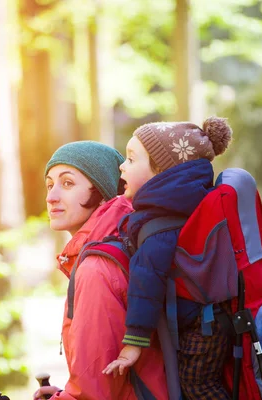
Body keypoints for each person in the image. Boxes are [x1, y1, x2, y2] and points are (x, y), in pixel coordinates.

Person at [102, 118, 233, 399]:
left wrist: (133, 342)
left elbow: (146, 281)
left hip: (203, 326)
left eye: (131, 159)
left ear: (161, 171)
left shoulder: (161, 224)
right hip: (210, 319)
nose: (122, 166)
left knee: (198, 386)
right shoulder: (180, 205)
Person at [33, 141, 168, 400]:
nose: (51, 196)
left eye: (68, 183)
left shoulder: (97, 269)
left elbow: (94, 394)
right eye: (50, 185)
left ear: (103, 192)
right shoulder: (117, 248)